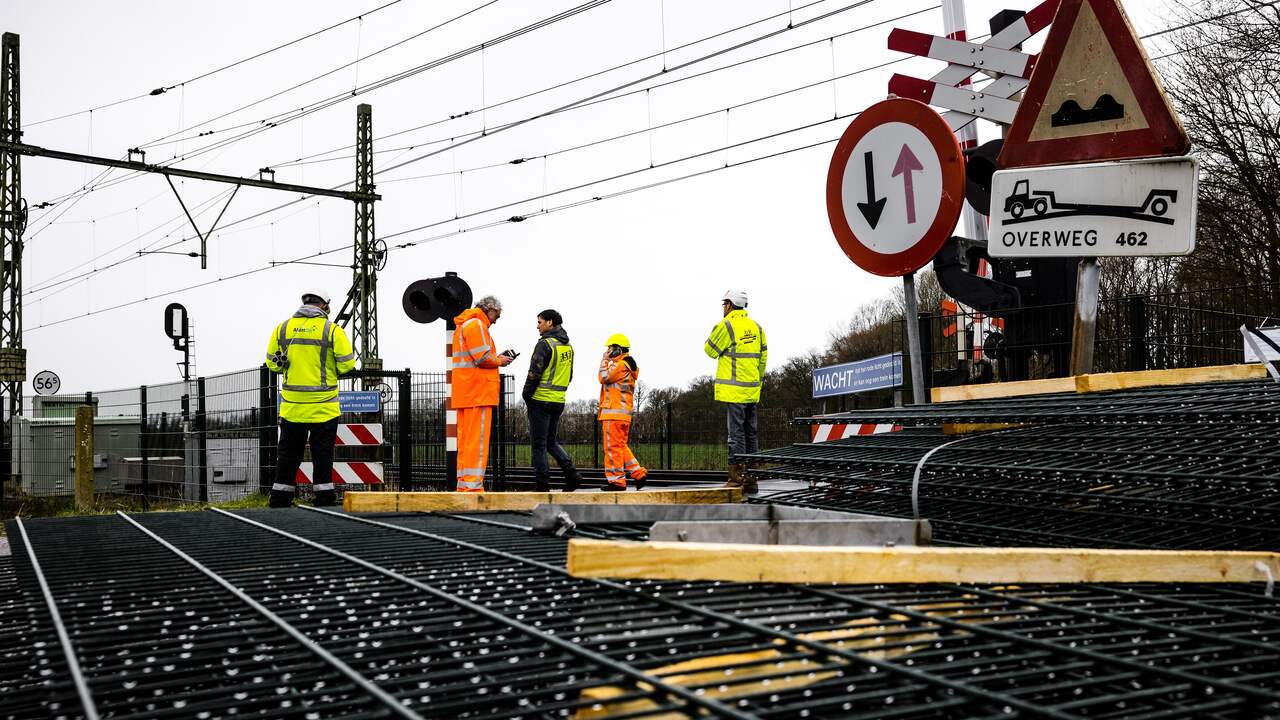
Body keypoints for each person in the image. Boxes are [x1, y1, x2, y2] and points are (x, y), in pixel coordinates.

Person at [265, 289, 357, 508]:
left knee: (288, 454)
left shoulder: (283, 328)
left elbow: (272, 363)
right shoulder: (332, 330)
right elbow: (347, 364)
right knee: (322, 453)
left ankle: (280, 497)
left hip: (293, 408)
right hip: (324, 407)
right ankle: (324, 497)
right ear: (324, 306)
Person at [703, 289, 767, 494]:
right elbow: (763, 358)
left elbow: (710, 350)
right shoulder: (756, 327)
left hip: (734, 392)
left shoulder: (726, 325)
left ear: (730, 305)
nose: (723, 308)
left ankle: (735, 479)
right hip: (752, 391)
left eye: (724, 304)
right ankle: (751, 479)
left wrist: (715, 330)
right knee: (751, 435)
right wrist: (756, 382)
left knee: (736, 436)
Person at [452, 295, 514, 492]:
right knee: (476, 443)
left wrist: (495, 358)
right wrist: (500, 360)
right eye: (497, 315)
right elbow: (482, 358)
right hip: (478, 392)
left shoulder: (464, 325)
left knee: (465, 442)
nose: (496, 320)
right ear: (490, 309)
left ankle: (464, 485)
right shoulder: (477, 325)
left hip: (466, 392)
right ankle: (473, 487)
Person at [523, 309, 584, 492]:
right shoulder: (568, 346)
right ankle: (572, 475)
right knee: (551, 442)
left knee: (539, 445)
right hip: (558, 401)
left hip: (540, 400)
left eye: (540, 322)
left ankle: (542, 485)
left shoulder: (545, 344)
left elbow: (534, 373)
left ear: (550, 322)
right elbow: (570, 375)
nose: (537, 325)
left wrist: (527, 395)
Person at [598, 334, 647, 491]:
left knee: (611, 449)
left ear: (617, 349)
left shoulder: (619, 365)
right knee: (620, 446)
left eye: (610, 348)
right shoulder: (628, 365)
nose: (607, 351)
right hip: (623, 415)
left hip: (612, 414)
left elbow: (603, 377)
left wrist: (604, 360)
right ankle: (638, 474)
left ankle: (617, 481)